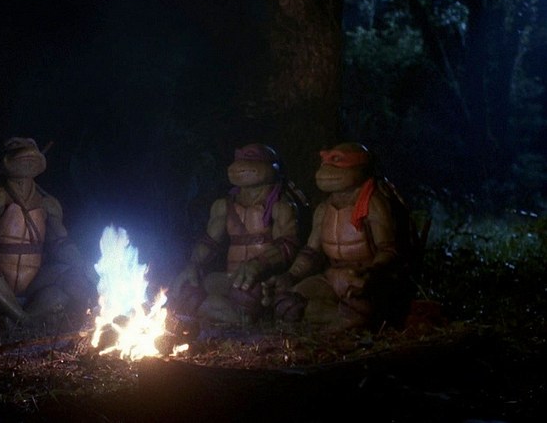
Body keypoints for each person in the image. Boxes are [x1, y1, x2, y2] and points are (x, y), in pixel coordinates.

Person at [264, 142, 413, 332]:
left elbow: (388, 250)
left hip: (363, 280)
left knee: (365, 308)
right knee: (287, 302)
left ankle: (344, 319)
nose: (327, 170)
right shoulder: (323, 209)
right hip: (332, 277)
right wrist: (291, 276)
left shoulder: (374, 204)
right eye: (325, 163)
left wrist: (371, 275)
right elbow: (312, 252)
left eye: (337, 161)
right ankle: (340, 319)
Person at [169, 143, 306, 324]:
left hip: (262, 282)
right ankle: (233, 315)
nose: (242, 165)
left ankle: (236, 315)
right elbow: (209, 242)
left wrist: (258, 264)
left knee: (248, 297)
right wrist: (192, 264)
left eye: (250, 158)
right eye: (239, 159)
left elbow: (287, 246)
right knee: (187, 288)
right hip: (230, 277)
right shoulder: (224, 206)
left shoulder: (281, 205)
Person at [0, 137, 96, 329]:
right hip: (2, 276)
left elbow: (61, 242)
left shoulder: (49, 204)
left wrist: (82, 264)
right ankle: (24, 319)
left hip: (35, 281)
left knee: (72, 276)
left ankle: (19, 317)